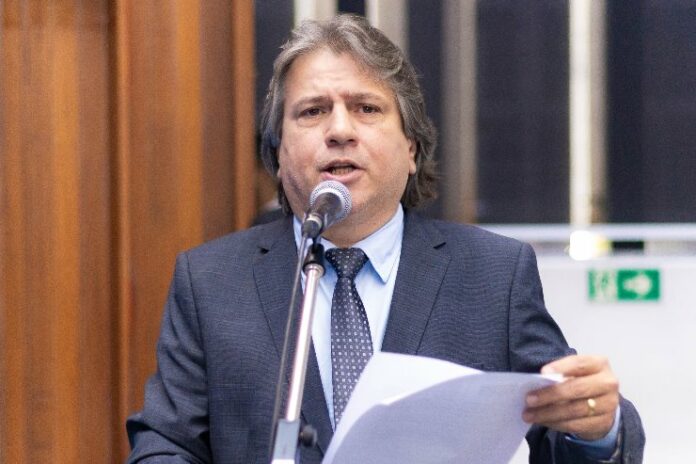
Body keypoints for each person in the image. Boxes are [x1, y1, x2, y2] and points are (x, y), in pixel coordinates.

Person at [127, 14, 644, 463]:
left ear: (411, 148)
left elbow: (563, 424)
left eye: (366, 109)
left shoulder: (492, 274)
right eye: (312, 111)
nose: (340, 131)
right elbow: (165, 445)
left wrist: (597, 427)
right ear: (278, 154)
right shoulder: (211, 282)